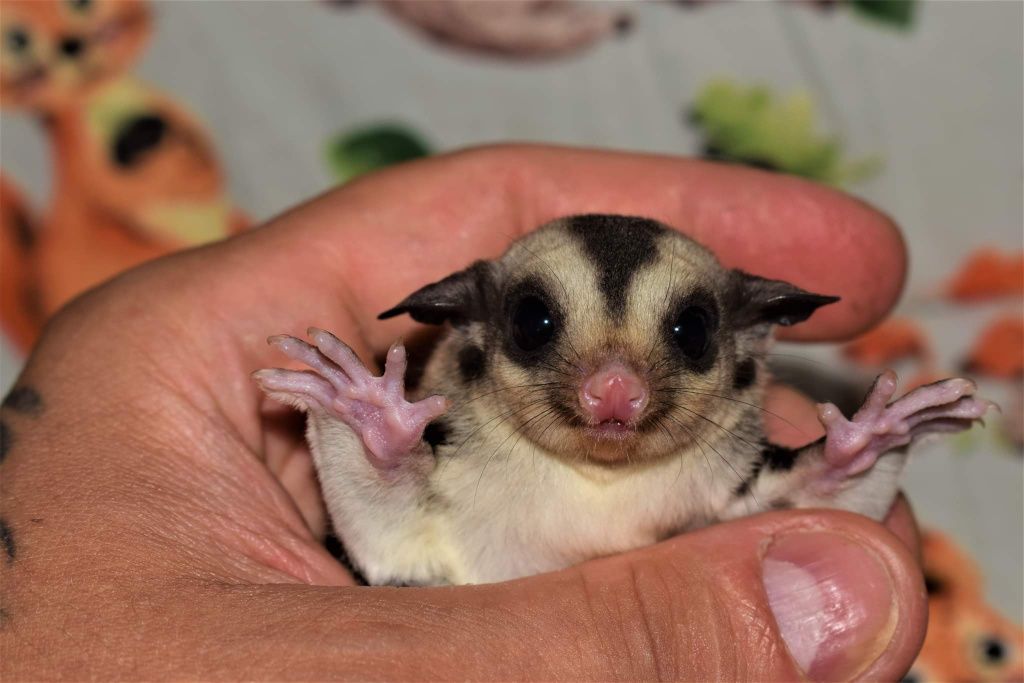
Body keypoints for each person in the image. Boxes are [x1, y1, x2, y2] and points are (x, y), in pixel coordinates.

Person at [0, 145, 925, 680]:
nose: (614, 391)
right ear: (471, 332)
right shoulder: (460, 435)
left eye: (682, 332)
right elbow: (400, 558)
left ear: (747, 346)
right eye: (539, 325)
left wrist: (856, 462)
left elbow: (800, 509)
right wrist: (364, 444)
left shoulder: (727, 443)